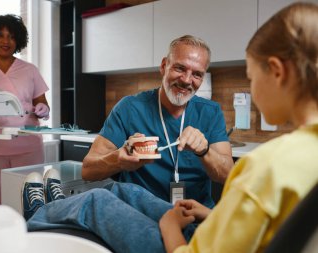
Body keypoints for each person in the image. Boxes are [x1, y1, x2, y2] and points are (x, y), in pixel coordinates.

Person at [159, 2, 318, 252]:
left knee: (99, 200)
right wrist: (216, 215)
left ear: (277, 72)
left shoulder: (265, 169)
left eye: (251, 76)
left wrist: (169, 225)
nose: (252, 89)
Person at [82, 34, 234, 208]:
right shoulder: (129, 108)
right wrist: (118, 159)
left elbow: (228, 173)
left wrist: (205, 151)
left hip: (193, 216)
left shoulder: (210, 112)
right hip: (140, 214)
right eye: (179, 68)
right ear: (164, 66)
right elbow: (88, 170)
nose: (186, 80)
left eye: (197, 74)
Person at [0, 14, 50, 205]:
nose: (6, 41)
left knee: (28, 197)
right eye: (0, 35)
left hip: (27, 148)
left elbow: (42, 103)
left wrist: (43, 109)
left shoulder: (30, 70)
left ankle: (29, 233)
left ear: (19, 40)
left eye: (12, 36)